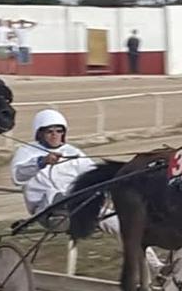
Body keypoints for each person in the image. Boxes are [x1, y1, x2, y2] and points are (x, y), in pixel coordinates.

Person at [11, 109, 165, 274]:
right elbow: (17, 176)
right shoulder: (26, 152)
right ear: (39, 133)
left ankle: (157, 268)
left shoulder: (73, 152)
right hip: (47, 209)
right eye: (49, 131)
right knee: (55, 194)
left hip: (80, 206)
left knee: (125, 226)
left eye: (59, 131)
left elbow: (92, 175)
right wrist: (41, 162)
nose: (55, 135)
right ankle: (64, 205)